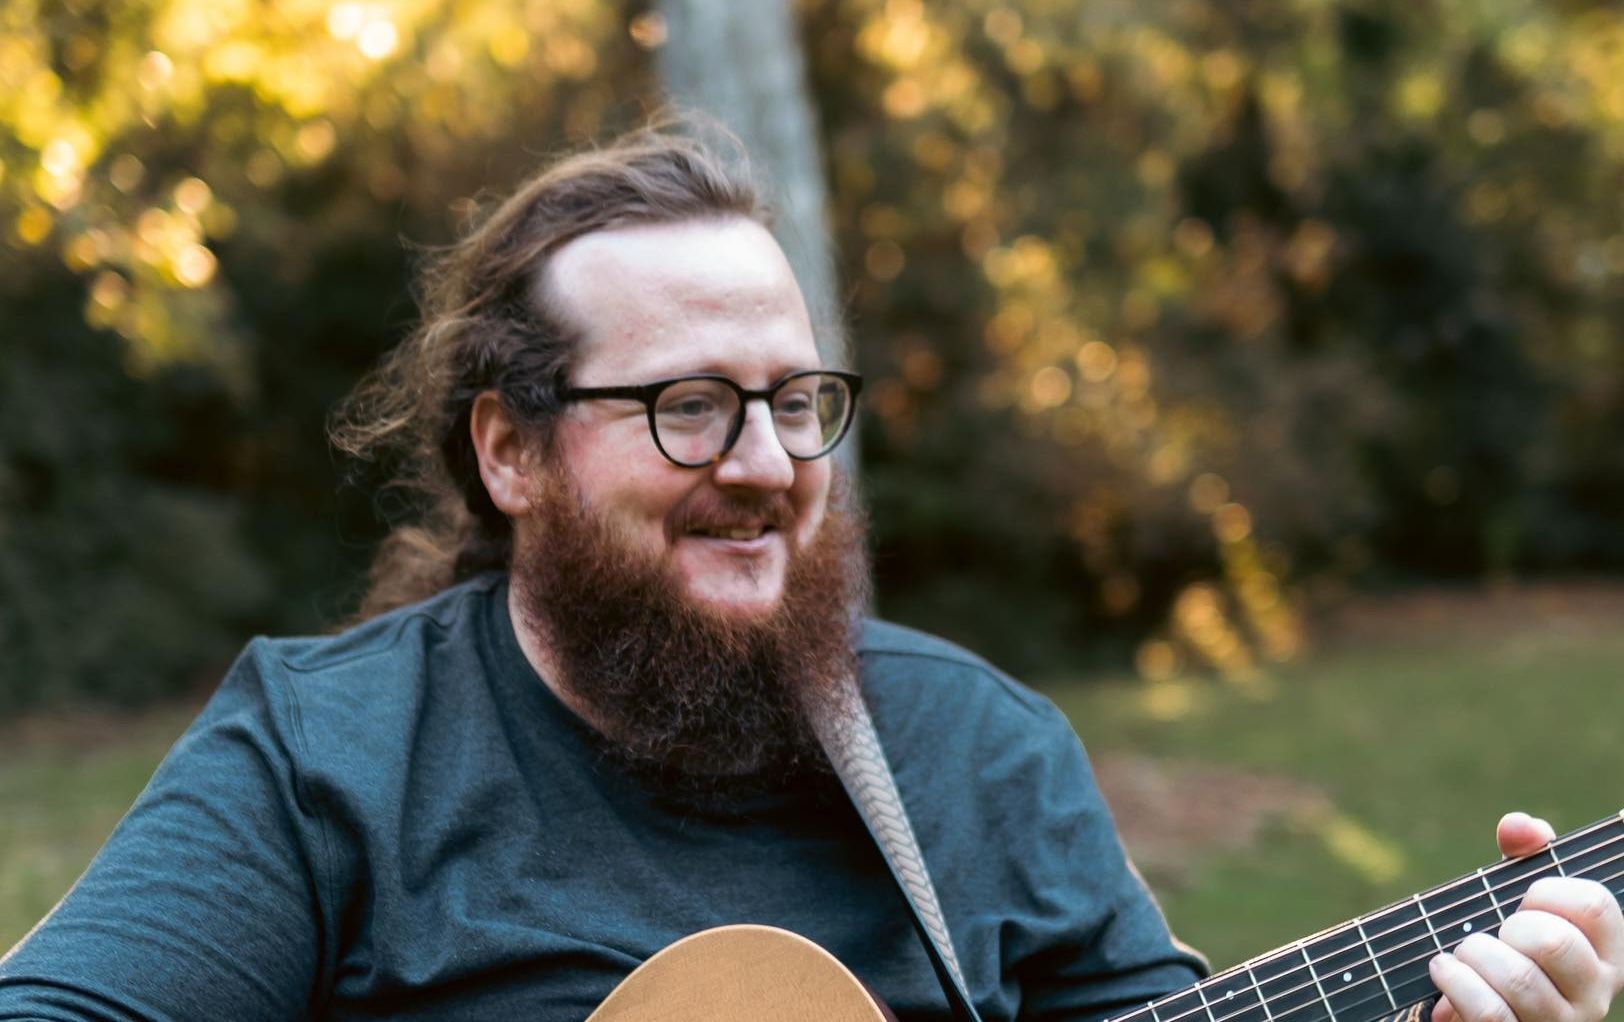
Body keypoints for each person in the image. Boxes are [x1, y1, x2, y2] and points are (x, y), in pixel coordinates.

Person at [1, 126, 1619, 1022]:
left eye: (795, 400)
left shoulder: (981, 752)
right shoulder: (331, 754)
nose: (769, 461)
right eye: (690, 405)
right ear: (510, 450)